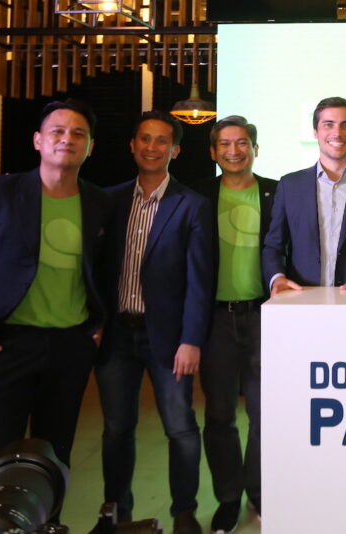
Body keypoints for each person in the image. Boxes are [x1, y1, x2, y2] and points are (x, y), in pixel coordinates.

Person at [0, 99, 111, 475]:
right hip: (4, 345)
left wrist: (99, 324)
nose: (67, 139)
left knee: (54, 460)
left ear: (90, 147)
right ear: (38, 140)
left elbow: (105, 270)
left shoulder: (99, 202)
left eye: (78, 134)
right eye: (57, 131)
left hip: (70, 347)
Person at [93, 110, 213, 534]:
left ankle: (184, 512)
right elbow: (93, 269)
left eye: (162, 141)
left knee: (180, 428)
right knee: (116, 430)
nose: (152, 147)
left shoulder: (192, 205)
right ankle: (117, 513)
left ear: (175, 151)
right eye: (144, 138)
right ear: (132, 145)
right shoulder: (108, 201)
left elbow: (200, 279)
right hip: (116, 337)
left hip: (169, 339)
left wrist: (191, 340)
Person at [192, 115, 276, 532]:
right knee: (220, 416)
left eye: (242, 143)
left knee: (265, 415)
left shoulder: (276, 192)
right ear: (213, 152)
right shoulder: (198, 196)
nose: (234, 151)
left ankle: (259, 492)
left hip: (264, 318)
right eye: (224, 144)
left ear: (255, 149)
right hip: (215, 320)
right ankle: (228, 497)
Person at [262, 97, 346, 295]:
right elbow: (273, 246)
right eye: (328, 124)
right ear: (315, 132)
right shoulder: (289, 185)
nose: (337, 132)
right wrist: (277, 278)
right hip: (301, 298)